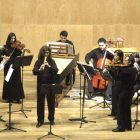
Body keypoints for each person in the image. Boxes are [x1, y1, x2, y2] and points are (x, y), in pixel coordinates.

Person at [0, 32, 30, 104]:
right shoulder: (5, 47)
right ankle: (9, 98)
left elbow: (20, 56)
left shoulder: (17, 48)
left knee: (17, 82)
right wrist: (4, 57)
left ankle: (17, 98)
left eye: (14, 38)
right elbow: (0, 55)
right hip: (8, 66)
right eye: (11, 38)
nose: (13, 40)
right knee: (8, 81)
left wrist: (24, 51)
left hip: (15, 66)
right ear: (9, 39)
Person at [33, 45, 58, 128]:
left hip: (50, 84)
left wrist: (49, 66)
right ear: (42, 53)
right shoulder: (38, 61)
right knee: (40, 103)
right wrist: (39, 69)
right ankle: (40, 120)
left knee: (51, 102)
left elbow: (56, 70)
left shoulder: (51, 61)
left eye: (48, 53)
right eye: (45, 53)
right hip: (41, 85)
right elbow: (34, 71)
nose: (46, 54)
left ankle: (51, 119)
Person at [110, 55, 137, 132]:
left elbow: (116, 77)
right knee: (127, 108)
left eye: (126, 61)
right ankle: (128, 126)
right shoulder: (133, 69)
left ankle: (121, 127)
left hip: (124, 91)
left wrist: (110, 69)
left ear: (130, 62)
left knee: (121, 109)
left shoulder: (125, 71)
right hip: (130, 90)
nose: (123, 62)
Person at [104, 50, 123, 120]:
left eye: (116, 56)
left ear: (120, 57)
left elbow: (115, 75)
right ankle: (114, 112)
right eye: (114, 55)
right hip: (114, 82)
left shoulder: (120, 65)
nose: (114, 57)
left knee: (117, 99)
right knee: (114, 97)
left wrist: (110, 69)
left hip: (119, 83)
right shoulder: (114, 63)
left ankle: (118, 114)